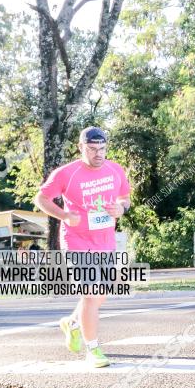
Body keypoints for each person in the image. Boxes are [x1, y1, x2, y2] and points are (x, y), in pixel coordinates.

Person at [33, 127, 131, 368]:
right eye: (93, 149)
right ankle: (93, 349)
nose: (99, 154)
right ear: (81, 147)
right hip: (76, 241)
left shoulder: (115, 169)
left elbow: (125, 198)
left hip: (105, 241)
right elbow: (41, 199)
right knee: (90, 292)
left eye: (102, 149)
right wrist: (64, 215)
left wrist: (121, 209)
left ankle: (73, 324)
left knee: (100, 294)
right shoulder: (66, 173)